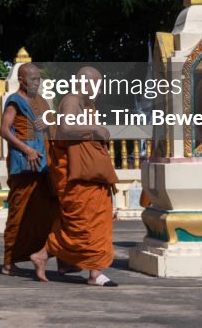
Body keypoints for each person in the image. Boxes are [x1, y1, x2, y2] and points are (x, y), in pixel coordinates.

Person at [30, 67, 118, 286]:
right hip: (78, 175)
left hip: (88, 174)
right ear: (84, 82)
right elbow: (66, 128)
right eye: (96, 84)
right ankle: (95, 274)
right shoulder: (72, 100)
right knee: (85, 222)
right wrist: (95, 129)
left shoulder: (84, 104)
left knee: (81, 223)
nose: (98, 90)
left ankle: (43, 255)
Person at [0, 63, 58, 276]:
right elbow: (4, 130)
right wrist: (26, 149)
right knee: (18, 213)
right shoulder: (14, 101)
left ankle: (48, 256)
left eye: (38, 79)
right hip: (24, 165)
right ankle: (8, 262)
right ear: (22, 80)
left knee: (47, 212)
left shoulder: (40, 102)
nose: (36, 82)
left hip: (43, 165)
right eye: (32, 79)